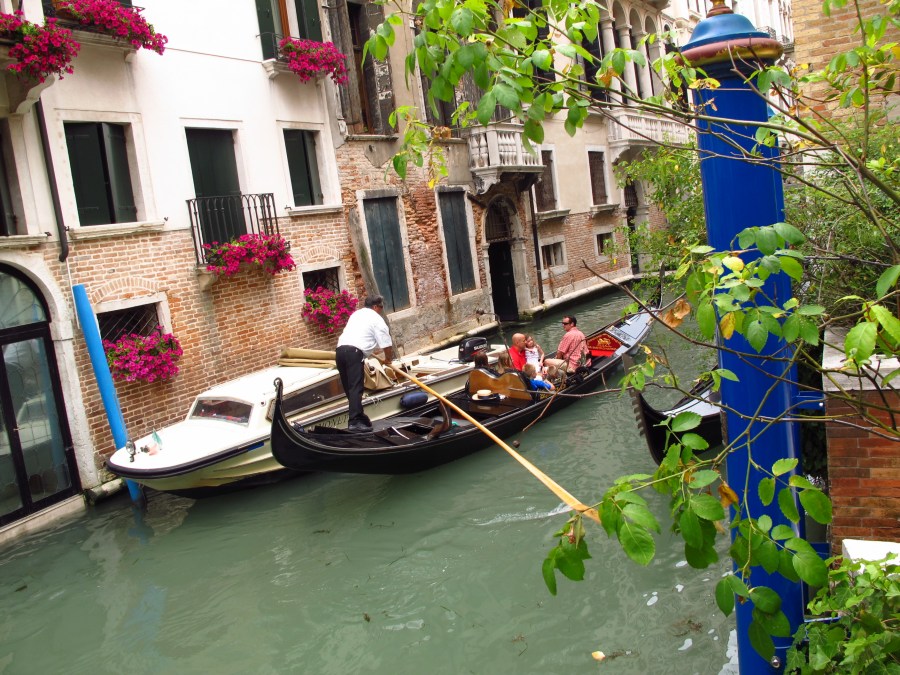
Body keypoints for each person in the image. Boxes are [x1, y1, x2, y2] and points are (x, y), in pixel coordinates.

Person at [336, 295, 394, 431]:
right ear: (375, 307)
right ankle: (355, 422)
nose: (381, 310)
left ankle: (359, 416)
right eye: (381, 307)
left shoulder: (356, 314)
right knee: (356, 387)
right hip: (354, 353)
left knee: (350, 389)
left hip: (340, 351)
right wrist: (388, 359)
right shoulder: (376, 319)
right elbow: (386, 343)